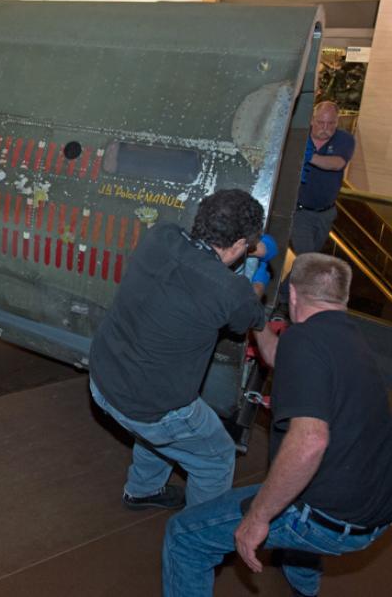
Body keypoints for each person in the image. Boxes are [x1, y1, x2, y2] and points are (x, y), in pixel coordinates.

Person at [162, 253, 392, 597]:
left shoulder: (303, 341)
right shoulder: (350, 338)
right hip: (381, 505)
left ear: (292, 295)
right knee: (296, 491)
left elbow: (310, 443)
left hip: (330, 518)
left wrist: (258, 517)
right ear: (344, 298)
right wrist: (257, 321)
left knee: (184, 536)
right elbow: (281, 357)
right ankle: (305, 587)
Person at [89, 189, 267, 511]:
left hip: (103, 377)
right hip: (149, 404)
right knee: (215, 457)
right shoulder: (230, 290)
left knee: (167, 430)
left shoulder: (161, 235)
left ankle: (143, 490)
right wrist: (258, 283)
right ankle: (196, 537)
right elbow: (249, 314)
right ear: (241, 245)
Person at [278, 101, 355, 305]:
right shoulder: (300, 138)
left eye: (331, 124)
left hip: (326, 213)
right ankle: (287, 300)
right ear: (312, 120)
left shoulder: (344, 140)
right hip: (301, 212)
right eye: (321, 122)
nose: (325, 128)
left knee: (306, 261)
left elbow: (337, 164)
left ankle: (280, 295)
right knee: (308, 259)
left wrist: (307, 157)